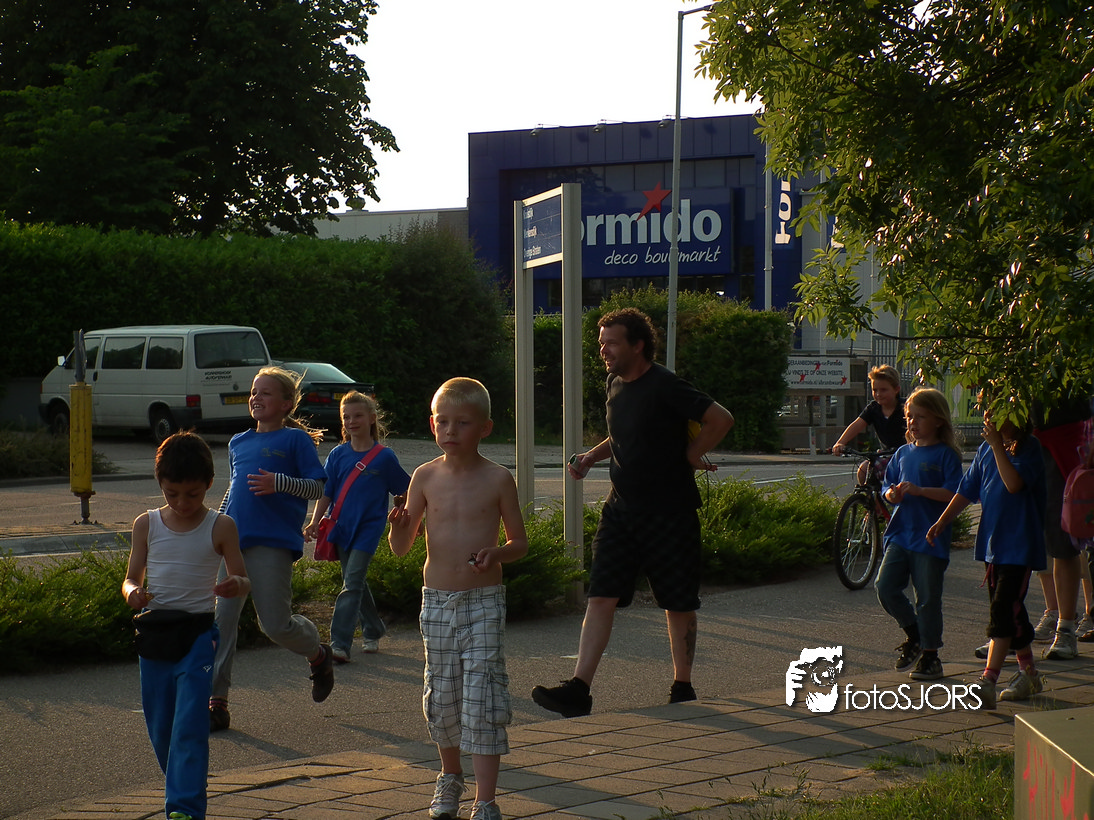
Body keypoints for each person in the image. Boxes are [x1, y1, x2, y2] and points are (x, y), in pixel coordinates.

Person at [530, 308, 735, 718]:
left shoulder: (666, 385)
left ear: (638, 345)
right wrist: (591, 456)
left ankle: (682, 686)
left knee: (678, 601)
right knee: (601, 595)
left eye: (612, 343)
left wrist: (691, 454)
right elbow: (622, 434)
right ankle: (579, 690)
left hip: (669, 511)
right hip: (620, 510)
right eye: (601, 343)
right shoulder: (615, 384)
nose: (603, 350)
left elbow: (720, 418)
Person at [387, 377, 528, 820]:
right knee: (443, 696)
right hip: (436, 601)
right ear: (432, 424)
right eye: (443, 421)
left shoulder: (498, 478)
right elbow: (402, 547)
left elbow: (519, 543)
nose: (451, 430)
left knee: (483, 697)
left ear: (484, 428)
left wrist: (497, 553)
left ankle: (485, 801)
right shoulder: (425, 476)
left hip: (483, 600)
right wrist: (397, 527)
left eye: (462, 422)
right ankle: (450, 776)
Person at [122, 431, 250, 820]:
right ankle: (182, 783)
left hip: (197, 635)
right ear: (160, 484)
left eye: (192, 494)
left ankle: (185, 808)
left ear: (209, 484)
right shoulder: (146, 524)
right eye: (172, 493)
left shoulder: (221, 526)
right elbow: (130, 578)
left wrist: (235, 585)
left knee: (190, 724)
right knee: (162, 728)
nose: (181, 503)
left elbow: (243, 579)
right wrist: (133, 592)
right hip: (155, 635)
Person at [209, 366, 333, 733]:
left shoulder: (295, 441)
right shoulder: (238, 442)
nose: (256, 397)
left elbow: (317, 488)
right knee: (222, 623)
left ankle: (317, 653)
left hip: (273, 543)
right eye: (253, 391)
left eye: (265, 392)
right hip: (234, 543)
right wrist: (216, 526)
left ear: (286, 404)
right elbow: (234, 491)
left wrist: (278, 482)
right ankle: (217, 702)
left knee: (275, 626)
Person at [927, 411, 1047, 709]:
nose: (989, 418)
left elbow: (1013, 484)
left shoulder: (1028, 447)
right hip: (994, 546)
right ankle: (1029, 673)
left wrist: (996, 446)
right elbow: (966, 490)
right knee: (1011, 611)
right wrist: (942, 522)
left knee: (1003, 610)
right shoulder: (985, 449)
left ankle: (988, 680)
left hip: (1019, 545)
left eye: (997, 411)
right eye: (986, 410)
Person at [305, 391, 410, 662]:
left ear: (372, 418)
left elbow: (405, 489)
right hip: (340, 528)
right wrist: (314, 521)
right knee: (354, 582)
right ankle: (373, 628)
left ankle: (339, 644)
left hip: (368, 530)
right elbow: (327, 492)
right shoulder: (338, 454)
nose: (351, 421)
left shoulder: (384, 457)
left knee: (351, 583)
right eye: (346, 417)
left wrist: (405, 509)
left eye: (358, 416)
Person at [875, 386, 963, 681]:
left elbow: (955, 493)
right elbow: (887, 487)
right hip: (900, 534)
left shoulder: (946, 455)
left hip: (930, 538)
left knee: (927, 598)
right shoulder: (902, 453)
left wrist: (921, 490)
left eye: (920, 417)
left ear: (938, 420)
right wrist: (892, 495)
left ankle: (930, 655)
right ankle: (914, 633)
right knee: (885, 587)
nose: (913, 422)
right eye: (909, 416)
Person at [1032, 397, 1092, 660]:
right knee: (1020, 538)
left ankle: (1066, 628)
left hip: (1066, 449)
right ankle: (1008, 628)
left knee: (1064, 540)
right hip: (1025, 445)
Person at [832, 364, 905, 484]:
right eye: (875, 390)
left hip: (905, 454)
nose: (878, 394)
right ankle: (870, 496)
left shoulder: (906, 408)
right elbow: (857, 425)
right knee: (864, 470)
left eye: (884, 390)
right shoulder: (873, 408)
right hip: (886, 454)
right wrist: (841, 442)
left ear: (896, 389)